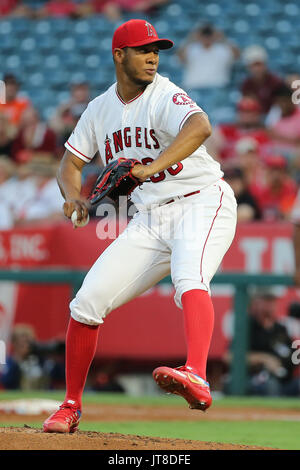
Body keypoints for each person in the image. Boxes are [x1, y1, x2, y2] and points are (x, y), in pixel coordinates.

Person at [43, 19, 237, 433]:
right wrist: (73, 197)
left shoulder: (165, 94)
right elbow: (71, 162)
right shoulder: (99, 109)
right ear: (119, 55)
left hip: (201, 201)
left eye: (157, 50)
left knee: (190, 280)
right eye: (143, 49)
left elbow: (200, 127)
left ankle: (198, 375)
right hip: (150, 219)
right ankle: (70, 406)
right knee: (86, 302)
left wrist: (150, 169)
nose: (153, 57)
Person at [177, 24, 239, 90]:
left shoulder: (222, 49)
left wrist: (223, 39)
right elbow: (180, 58)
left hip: (217, 87)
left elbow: (237, 56)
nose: (206, 38)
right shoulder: (191, 49)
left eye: (209, 35)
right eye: (203, 35)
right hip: (193, 87)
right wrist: (190, 39)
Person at [240, 45, 284, 115]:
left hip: (274, 116)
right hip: (255, 117)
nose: (256, 69)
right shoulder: (246, 84)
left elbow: (281, 105)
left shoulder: (276, 82)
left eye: (259, 64)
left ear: (265, 64)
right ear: (248, 67)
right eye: (253, 65)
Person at [255, 154, 297, 221]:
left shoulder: (291, 191)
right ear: (267, 172)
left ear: (284, 173)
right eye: (272, 171)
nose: (275, 175)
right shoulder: (260, 193)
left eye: (279, 170)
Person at [267, 84, 300, 162]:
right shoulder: (275, 114)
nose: (282, 104)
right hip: (274, 154)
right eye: (279, 101)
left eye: (284, 101)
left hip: (294, 157)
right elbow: (267, 134)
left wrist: (277, 136)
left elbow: (297, 140)